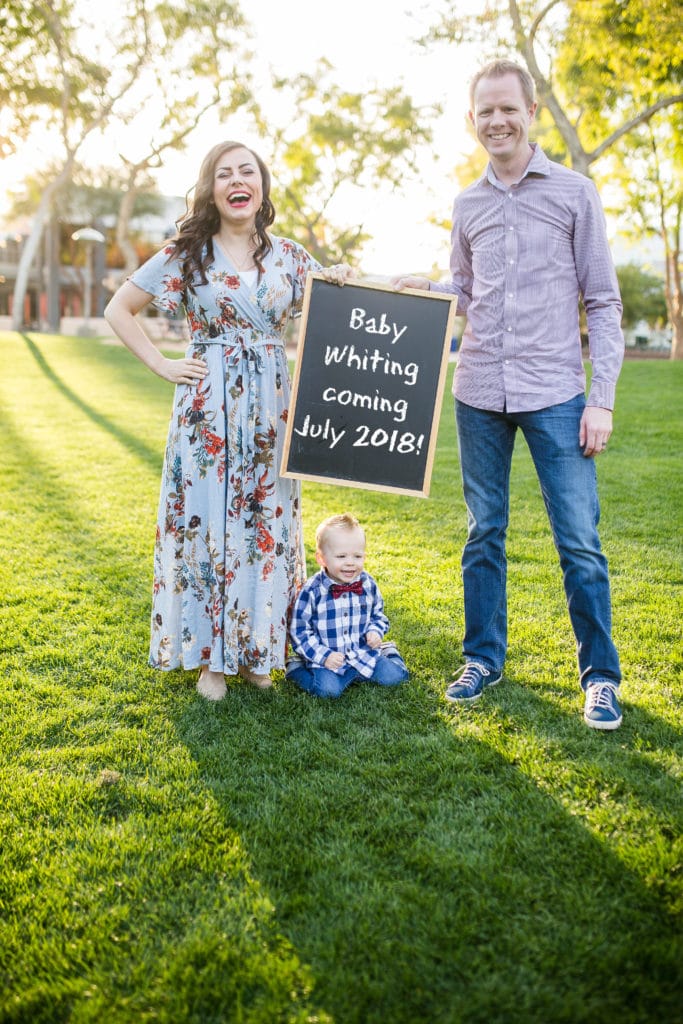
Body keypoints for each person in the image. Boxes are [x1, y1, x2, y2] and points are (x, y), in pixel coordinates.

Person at [393, 59, 625, 730]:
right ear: (471, 122)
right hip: (478, 392)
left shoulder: (574, 193)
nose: (496, 120)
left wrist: (599, 397)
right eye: (483, 112)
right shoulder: (466, 205)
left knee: (578, 540)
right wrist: (422, 290)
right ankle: (481, 660)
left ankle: (600, 678)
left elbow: (603, 302)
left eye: (507, 109)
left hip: (556, 393)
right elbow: (464, 290)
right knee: (481, 533)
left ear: (531, 114)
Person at [104, 140, 351, 702]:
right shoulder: (186, 253)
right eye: (224, 173)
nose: (237, 180)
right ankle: (210, 660)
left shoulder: (288, 255)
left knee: (265, 523)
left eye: (247, 171)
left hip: (272, 408)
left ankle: (258, 652)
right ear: (210, 189)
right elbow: (118, 308)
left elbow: (334, 310)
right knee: (208, 521)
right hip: (206, 409)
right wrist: (162, 365)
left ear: (261, 186)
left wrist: (341, 279)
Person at [286, 513, 409, 698]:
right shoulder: (312, 591)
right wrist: (324, 656)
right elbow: (300, 632)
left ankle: (387, 650)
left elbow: (378, 615)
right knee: (327, 691)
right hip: (329, 660)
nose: (350, 563)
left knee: (396, 677)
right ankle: (296, 667)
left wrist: (375, 631)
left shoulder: (367, 584)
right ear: (321, 558)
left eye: (357, 556)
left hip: (363, 654)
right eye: (341, 556)